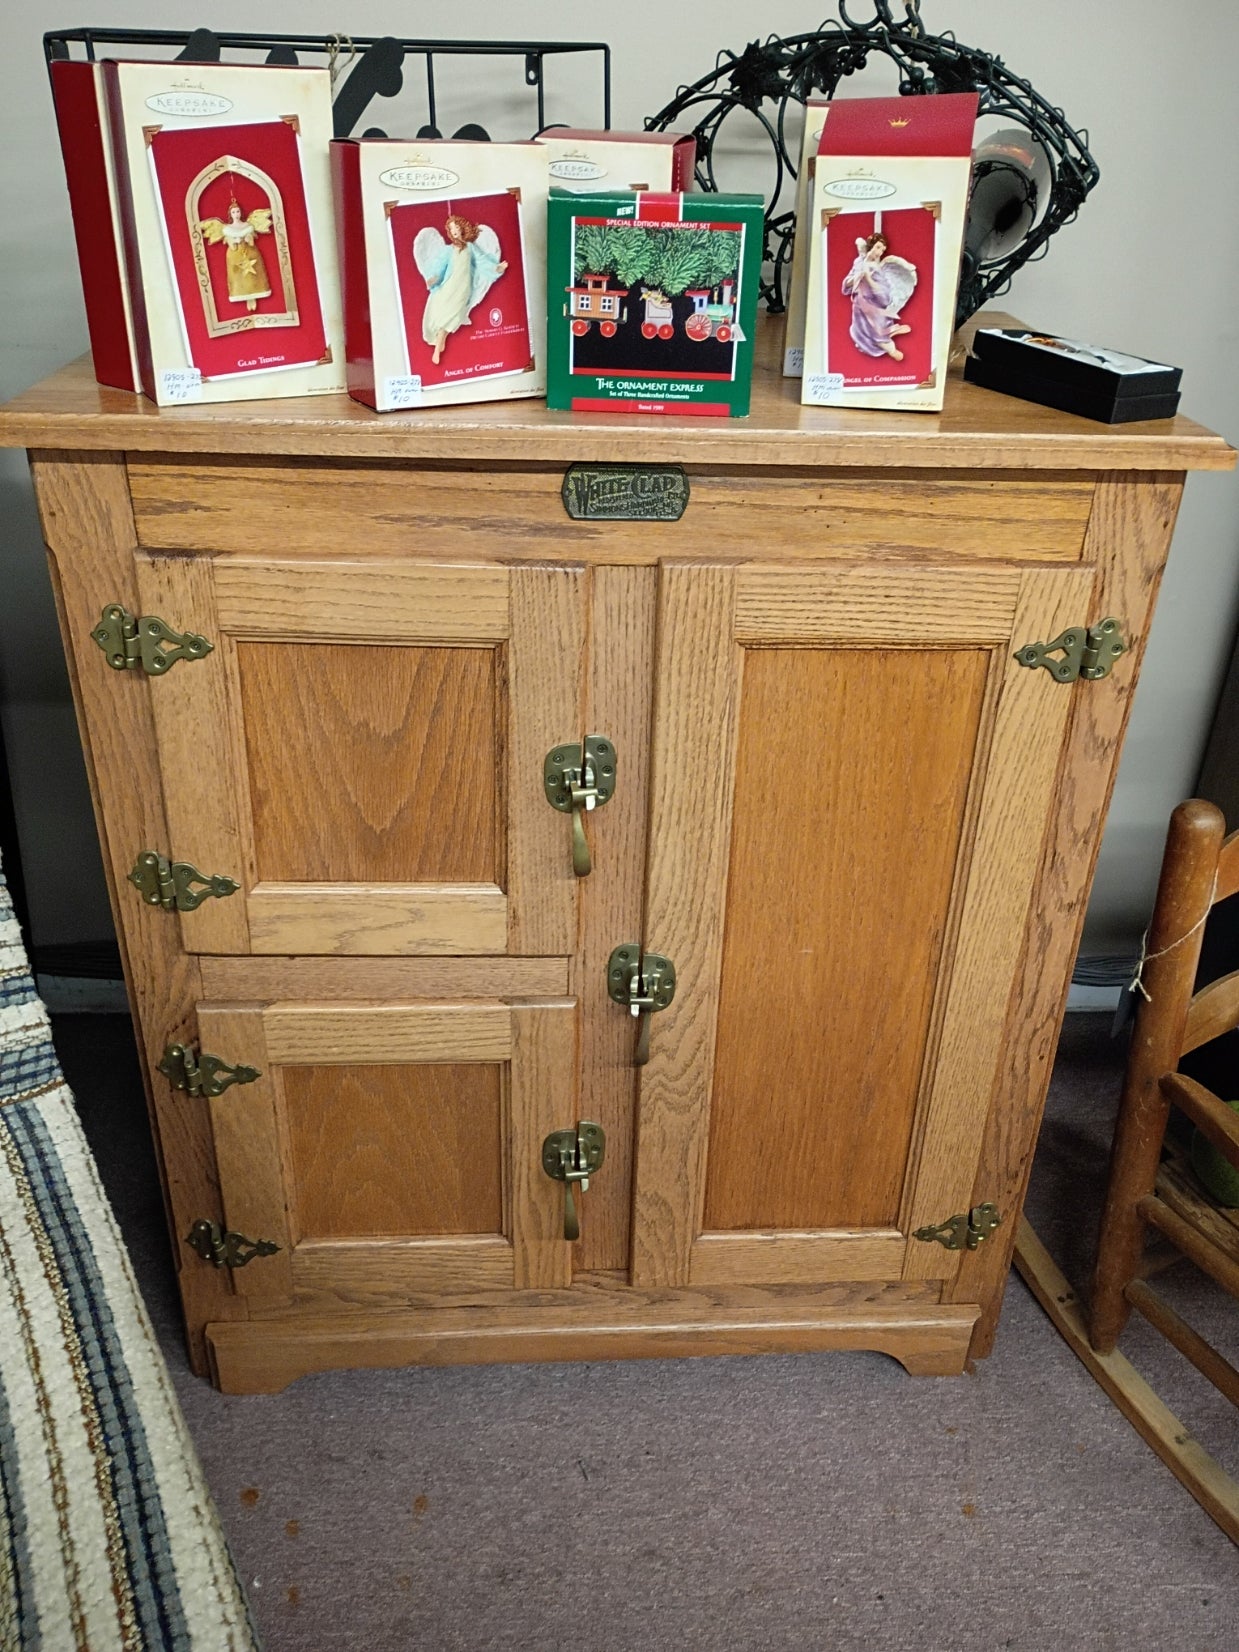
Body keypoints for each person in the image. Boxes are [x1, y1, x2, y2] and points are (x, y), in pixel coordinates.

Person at [415, 214, 507, 365]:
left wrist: (497, 268)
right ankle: (439, 344)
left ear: (462, 228)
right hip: (449, 285)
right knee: (443, 311)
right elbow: (439, 266)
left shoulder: (470, 248)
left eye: (456, 227)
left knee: (454, 313)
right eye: (452, 229)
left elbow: (482, 261)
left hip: (463, 288)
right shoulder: (448, 250)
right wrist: (433, 279)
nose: (455, 231)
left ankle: (439, 345)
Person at [841, 230, 916, 362]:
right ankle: (885, 334)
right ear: (871, 245)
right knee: (859, 331)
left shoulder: (877, 270)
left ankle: (892, 350)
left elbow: (885, 298)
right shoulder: (859, 262)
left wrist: (869, 279)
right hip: (859, 308)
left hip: (873, 310)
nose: (879, 252)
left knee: (877, 335)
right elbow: (846, 285)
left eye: (882, 250)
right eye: (878, 247)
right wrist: (856, 278)